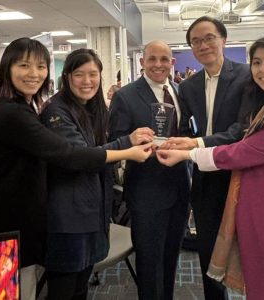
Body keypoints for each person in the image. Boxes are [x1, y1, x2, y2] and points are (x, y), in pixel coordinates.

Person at [0, 38, 153, 300]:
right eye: (24, 65)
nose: (34, 74)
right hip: (5, 229)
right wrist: (128, 151)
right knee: (7, 293)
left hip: (23, 224)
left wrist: (126, 141)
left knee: (25, 290)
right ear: (7, 68)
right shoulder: (12, 113)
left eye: (41, 66)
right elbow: (71, 155)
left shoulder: (25, 107)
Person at [156, 34, 264, 300]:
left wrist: (189, 153)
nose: (263, 69)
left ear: (223, 40)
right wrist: (188, 143)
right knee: (255, 275)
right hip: (243, 196)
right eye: (257, 62)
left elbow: (241, 149)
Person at [40, 48, 154, 300]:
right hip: (67, 219)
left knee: (81, 288)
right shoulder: (56, 112)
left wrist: (133, 141)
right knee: (63, 289)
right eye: (79, 74)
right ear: (67, 76)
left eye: (93, 74)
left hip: (92, 212)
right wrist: (128, 147)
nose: (87, 81)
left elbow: (100, 150)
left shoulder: (93, 109)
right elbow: (80, 158)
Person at [174, 16, 250, 300]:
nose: (203, 45)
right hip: (205, 175)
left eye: (209, 38)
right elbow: (185, 127)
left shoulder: (246, 75)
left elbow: (241, 129)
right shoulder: (189, 86)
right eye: (196, 41)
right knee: (207, 250)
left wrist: (197, 143)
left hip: (240, 173)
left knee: (249, 250)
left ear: (223, 39)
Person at [109, 40, 191, 300]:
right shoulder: (126, 96)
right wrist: (138, 143)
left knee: (170, 258)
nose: (158, 64)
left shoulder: (179, 92)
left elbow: (187, 131)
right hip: (147, 191)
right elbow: (118, 138)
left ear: (172, 63)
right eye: (152, 59)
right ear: (142, 62)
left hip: (179, 188)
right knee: (149, 262)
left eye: (164, 59)